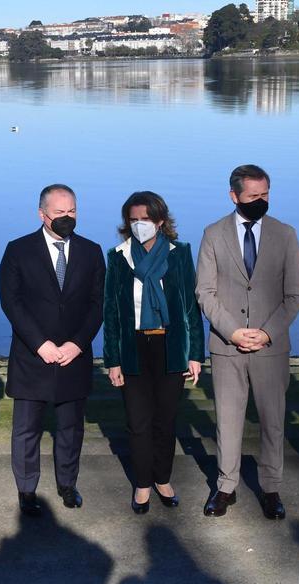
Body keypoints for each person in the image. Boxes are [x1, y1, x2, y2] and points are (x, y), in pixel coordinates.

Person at [196, 164, 299, 520]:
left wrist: (267, 332)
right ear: (234, 196)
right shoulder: (213, 234)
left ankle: (271, 489)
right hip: (227, 347)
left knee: (273, 421)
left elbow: (295, 295)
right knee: (227, 421)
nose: (261, 201)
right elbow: (205, 293)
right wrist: (233, 331)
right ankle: (226, 487)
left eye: (266, 195)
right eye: (253, 196)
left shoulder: (285, 234)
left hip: (271, 347)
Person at [0, 184, 105, 517]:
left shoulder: (91, 251)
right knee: (26, 429)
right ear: (42, 213)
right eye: (59, 212)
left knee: (70, 428)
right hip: (33, 355)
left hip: (75, 354)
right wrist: (41, 344)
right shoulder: (18, 250)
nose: (67, 217)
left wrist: (77, 343)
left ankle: (67, 485)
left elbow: (97, 304)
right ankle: (27, 490)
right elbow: (11, 302)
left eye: (72, 211)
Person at [103, 191, 204, 514]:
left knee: (165, 420)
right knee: (138, 422)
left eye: (145, 219)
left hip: (169, 347)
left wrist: (195, 354)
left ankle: (163, 478)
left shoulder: (179, 253)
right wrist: (113, 360)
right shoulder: (119, 257)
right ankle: (143, 484)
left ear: (160, 221)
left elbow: (190, 307)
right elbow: (112, 313)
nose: (138, 225)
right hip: (133, 348)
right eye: (133, 220)